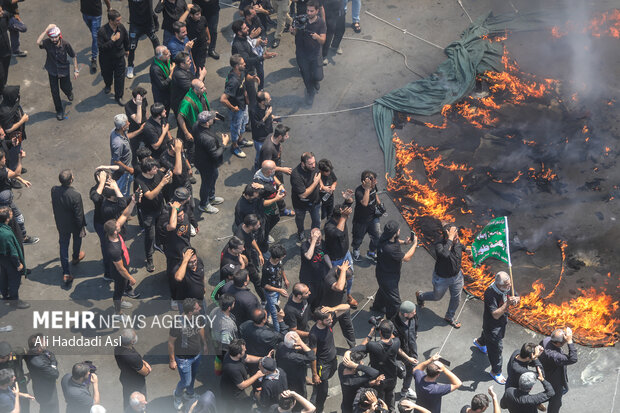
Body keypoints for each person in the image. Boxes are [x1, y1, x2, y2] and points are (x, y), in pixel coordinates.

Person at [352, 320, 417, 411]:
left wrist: (370, 334)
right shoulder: (397, 342)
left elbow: (361, 348)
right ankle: (391, 410)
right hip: (392, 377)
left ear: (380, 332)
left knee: (380, 398)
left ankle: (382, 410)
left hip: (378, 378)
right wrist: (408, 358)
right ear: (391, 331)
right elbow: (396, 344)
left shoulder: (372, 345)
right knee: (391, 395)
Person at [473, 271, 520, 384]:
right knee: (496, 349)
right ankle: (496, 372)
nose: (509, 287)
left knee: (487, 335)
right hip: (493, 325)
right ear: (498, 284)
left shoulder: (507, 287)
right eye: (506, 285)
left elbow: (516, 295)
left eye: (509, 284)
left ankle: (480, 343)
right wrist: (507, 304)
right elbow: (495, 314)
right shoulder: (490, 293)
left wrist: (517, 300)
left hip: (501, 321)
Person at [416, 224, 465, 328]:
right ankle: (421, 296)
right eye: (454, 236)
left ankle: (449, 316)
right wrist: (451, 238)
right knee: (436, 297)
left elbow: (460, 246)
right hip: (442, 279)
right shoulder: (439, 245)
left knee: (456, 298)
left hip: (457, 277)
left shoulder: (456, 241)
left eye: (456, 235)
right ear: (447, 237)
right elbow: (445, 255)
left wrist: (466, 249)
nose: (457, 238)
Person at [371, 220, 418, 319]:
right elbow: (407, 258)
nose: (400, 230)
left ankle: (377, 306)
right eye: (398, 230)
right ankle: (391, 321)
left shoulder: (384, 238)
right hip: (389, 277)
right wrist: (414, 245)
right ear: (394, 233)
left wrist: (405, 242)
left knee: (383, 290)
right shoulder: (390, 249)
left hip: (382, 272)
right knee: (395, 303)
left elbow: (396, 241)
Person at [168, 298, 208, 411]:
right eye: (197, 308)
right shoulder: (177, 323)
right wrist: (172, 360)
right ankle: (177, 395)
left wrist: (205, 344)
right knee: (186, 381)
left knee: (193, 376)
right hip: (183, 359)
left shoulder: (198, 317)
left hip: (196, 354)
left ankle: (190, 393)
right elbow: (171, 343)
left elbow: (200, 329)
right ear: (190, 312)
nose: (200, 308)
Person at [158, 186, 195, 306]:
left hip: (185, 244)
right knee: (173, 274)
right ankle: (174, 297)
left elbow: (190, 214)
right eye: (179, 216)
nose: (182, 217)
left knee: (187, 269)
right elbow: (172, 227)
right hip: (173, 250)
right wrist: (174, 210)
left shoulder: (185, 206)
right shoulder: (166, 213)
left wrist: (195, 223)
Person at [105, 195, 140, 318]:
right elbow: (120, 269)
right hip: (120, 272)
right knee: (118, 292)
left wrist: (133, 202)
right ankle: (118, 312)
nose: (120, 225)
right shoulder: (113, 249)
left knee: (121, 289)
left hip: (125, 266)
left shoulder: (113, 233)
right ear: (114, 232)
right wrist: (130, 278)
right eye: (117, 227)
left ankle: (120, 299)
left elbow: (124, 215)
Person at [134, 158, 172, 272]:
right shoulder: (140, 180)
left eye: (156, 167)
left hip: (160, 208)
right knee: (150, 236)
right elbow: (149, 196)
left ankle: (159, 244)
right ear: (147, 171)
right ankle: (149, 259)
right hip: (148, 213)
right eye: (154, 168)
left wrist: (169, 177)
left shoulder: (158, 173)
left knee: (161, 229)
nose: (157, 169)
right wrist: (162, 183)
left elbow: (168, 183)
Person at [50, 169, 86, 286]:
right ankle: (75, 257)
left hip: (61, 224)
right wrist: (81, 227)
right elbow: (79, 215)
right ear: (71, 180)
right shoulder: (75, 195)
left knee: (63, 245)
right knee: (77, 240)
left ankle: (66, 272)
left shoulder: (54, 190)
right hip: (74, 225)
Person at [89, 169, 126, 280]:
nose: (110, 178)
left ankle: (114, 262)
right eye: (106, 177)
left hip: (113, 220)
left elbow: (122, 169)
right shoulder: (96, 190)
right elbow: (96, 198)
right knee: (106, 248)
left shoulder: (110, 183)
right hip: (102, 224)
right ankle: (108, 272)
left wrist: (104, 166)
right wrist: (102, 182)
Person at [36, 25, 78, 121]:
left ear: (59, 35)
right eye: (52, 37)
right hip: (52, 70)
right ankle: (59, 110)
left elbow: (73, 55)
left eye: (56, 37)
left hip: (63, 70)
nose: (54, 39)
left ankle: (69, 92)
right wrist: (46, 29)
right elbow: (38, 42)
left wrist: (76, 70)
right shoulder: (47, 43)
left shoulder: (65, 44)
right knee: (54, 92)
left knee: (65, 87)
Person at [323, 193, 356, 307]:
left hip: (346, 254)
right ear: (339, 216)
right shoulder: (329, 227)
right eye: (344, 216)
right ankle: (336, 300)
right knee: (338, 280)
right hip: (336, 260)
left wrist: (348, 199)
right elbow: (338, 233)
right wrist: (344, 217)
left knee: (350, 276)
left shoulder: (340, 214)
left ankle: (348, 294)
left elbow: (348, 203)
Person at [291, 0, 326, 104]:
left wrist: (317, 37)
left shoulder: (320, 23)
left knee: (318, 76)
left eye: (311, 11)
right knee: (306, 76)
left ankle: (315, 80)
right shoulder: (300, 19)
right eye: (308, 10)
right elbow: (295, 32)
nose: (309, 13)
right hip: (302, 54)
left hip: (315, 54)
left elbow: (323, 40)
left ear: (317, 11)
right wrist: (293, 31)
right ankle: (310, 92)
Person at [539, 327, 578, 413]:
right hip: (554, 379)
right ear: (557, 343)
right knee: (556, 402)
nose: (565, 342)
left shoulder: (547, 340)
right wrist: (570, 342)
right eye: (564, 342)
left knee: (562, 390)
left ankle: (536, 401)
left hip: (547, 370)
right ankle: (535, 401)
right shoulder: (554, 355)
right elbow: (573, 359)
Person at [258, 124, 293, 217]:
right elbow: (266, 167)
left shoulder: (272, 136)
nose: (288, 137)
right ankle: (281, 209)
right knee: (276, 190)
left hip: (275, 169)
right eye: (286, 136)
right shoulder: (268, 149)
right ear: (280, 136)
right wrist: (282, 169)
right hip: (270, 173)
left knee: (280, 187)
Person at [220, 54, 252, 158]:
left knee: (243, 124)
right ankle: (234, 146)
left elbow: (244, 81)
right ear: (237, 66)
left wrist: (252, 79)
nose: (245, 64)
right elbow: (223, 99)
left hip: (243, 106)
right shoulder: (232, 81)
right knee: (235, 128)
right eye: (243, 63)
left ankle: (240, 140)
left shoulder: (241, 72)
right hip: (237, 110)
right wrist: (233, 108)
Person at [220, 338, 265, 410]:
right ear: (238, 354)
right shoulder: (233, 368)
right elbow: (242, 385)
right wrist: (257, 375)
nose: (246, 349)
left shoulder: (231, 353)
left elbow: (247, 358)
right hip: (233, 393)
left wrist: (262, 359)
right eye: (244, 350)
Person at [97, 9, 130, 105]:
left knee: (120, 78)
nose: (119, 22)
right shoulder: (102, 31)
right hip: (106, 60)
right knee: (106, 75)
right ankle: (108, 84)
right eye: (117, 20)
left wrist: (127, 50)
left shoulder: (121, 27)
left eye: (120, 20)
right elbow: (101, 48)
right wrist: (113, 40)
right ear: (110, 21)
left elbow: (126, 39)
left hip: (119, 58)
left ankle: (119, 96)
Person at [308, 308, 338, 413]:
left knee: (322, 384)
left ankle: (317, 387)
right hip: (323, 366)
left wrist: (332, 309)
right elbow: (313, 356)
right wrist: (315, 374)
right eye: (328, 320)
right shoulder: (314, 334)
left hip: (333, 360)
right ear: (320, 321)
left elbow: (346, 308)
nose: (331, 321)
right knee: (322, 392)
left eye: (331, 319)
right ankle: (318, 409)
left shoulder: (328, 323)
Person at [320, 261, 356, 348]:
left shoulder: (341, 272)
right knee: (325, 330)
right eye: (346, 279)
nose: (347, 282)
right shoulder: (330, 278)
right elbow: (339, 287)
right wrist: (343, 271)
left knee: (348, 328)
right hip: (330, 309)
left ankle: (353, 348)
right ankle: (322, 348)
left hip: (342, 307)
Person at [114, 329, 151, 410]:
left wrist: (141, 361)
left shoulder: (119, 347)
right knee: (140, 402)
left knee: (128, 400)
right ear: (132, 341)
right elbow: (145, 372)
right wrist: (147, 367)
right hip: (136, 383)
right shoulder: (132, 357)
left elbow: (138, 360)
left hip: (126, 378)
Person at [177, 79, 211, 163]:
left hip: (202, 124)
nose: (205, 89)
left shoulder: (201, 93)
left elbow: (204, 105)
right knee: (192, 147)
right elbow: (180, 117)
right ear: (195, 89)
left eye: (204, 86)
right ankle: (191, 162)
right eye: (202, 88)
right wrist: (186, 133)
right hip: (192, 127)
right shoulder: (187, 101)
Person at [351, 170, 382, 263]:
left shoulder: (373, 186)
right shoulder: (359, 191)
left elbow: (375, 193)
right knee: (358, 238)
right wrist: (368, 189)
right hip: (361, 221)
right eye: (373, 182)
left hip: (373, 218)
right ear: (364, 182)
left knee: (377, 236)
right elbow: (364, 203)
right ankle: (355, 250)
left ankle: (371, 252)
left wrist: (379, 205)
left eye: (375, 181)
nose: (375, 183)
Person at [290, 152, 321, 242]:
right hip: (300, 204)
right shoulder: (296, 175)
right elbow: (303, 194)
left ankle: (315, 237)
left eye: (314, 162)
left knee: (316, 221)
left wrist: (321, 185)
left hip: (315, 201)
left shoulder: (315, 165)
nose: (314, 165)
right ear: (303, 164)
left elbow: (319, 175)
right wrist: (315, 182)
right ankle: (300, 232)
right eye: (310, 164)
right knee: (300, 220)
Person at [253, 160, 286, 243]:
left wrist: (280, 185)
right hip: (264, 210)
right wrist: (276, 199)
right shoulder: (259, 186)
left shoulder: (266, 173)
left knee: (276, 218)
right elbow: (262, 203)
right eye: (274, 169)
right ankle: (264, 238)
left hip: (272, 203)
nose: (276, 169)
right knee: (264, 226)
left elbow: (273, 177)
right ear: (269, 171)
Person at [25, 333, 59, 413]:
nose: (46, 342)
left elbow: (50, 354)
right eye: (44, 341)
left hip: (39, 388)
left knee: (44, 409)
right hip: (47, 394)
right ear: (39, 347)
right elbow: (55, 374)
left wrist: (52, 360)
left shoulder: (31, 352)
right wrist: (53, 364)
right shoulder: (39, 363)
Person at [0, 206, 27, 308]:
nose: (12, 214)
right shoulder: (6, 234)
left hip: (1, 259)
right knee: (14, 280)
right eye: (10, 213)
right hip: (9, 260)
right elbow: (13, 253)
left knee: (3, 277)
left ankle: (5, 295)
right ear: (7, 219)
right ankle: (14, 301)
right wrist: (18, 264)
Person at [391, 301, 419, 399]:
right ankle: (389, 393)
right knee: (395, 374)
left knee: (409, 373)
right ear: (405, 314)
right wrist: (408, 358)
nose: (415, 313)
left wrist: (415, 335)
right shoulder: (394, 325)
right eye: (413, 312)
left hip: (411, 351)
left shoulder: (412, 317)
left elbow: (415, 327)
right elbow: (396, 347)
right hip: (399, 356)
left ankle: (405, 390)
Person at [234, 213, 265, 301]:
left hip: (249, 257)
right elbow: (238, 254)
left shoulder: (244, 226)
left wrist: (259, 253)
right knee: (257, 281)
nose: (259, 226)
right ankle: (264, 300)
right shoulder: (239, 238)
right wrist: (246, 262)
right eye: (257, 225)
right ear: (251, 226)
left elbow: (251, 239)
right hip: (245, 262)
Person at [126, 0, 160, 79]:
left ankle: (159, 60)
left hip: (148, 24)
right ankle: (130, 66)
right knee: (132, 46)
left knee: (156, 42)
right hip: (135, 24)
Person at [276, 332, 315, 398]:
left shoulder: (281, 345)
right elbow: (312, 357)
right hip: (296, 380)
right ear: (294, 344)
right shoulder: (294, 357)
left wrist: (297, 348)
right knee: (300, 394)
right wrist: (302, 344)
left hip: (285, 374)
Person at [110, 113, 141, 197]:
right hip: (123, 171)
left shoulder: (116, 131)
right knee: (123, 191)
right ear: (123, 127)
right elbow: (116, 160)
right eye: (127, 122)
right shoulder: (118, 143)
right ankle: (124, 204)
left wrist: (139, 130)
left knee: (129, 180)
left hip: (127, 165)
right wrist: (129, 169)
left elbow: (127, 136)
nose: (129, 123)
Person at [299, 228, 329, 310]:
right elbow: (308, 256)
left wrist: (331, 267)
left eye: (319, 238)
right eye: (317, 239)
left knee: (319, 295)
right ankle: (307, 310)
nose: (319, 241)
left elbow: (325, 255)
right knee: (309, 297)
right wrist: (314, 241)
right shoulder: (305, 245)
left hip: (320, 276)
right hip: (308, 278)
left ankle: (314, 310)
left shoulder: (322, 243)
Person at [262, 244, 289, 331]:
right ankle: (278, 333)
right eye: (282, 256)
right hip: (271, 293)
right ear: (277, 258)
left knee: (269, 305)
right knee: (276, 315)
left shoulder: (279, 262)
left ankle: (265, 316)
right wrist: (279, 290)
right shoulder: (266, 268)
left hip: (278, 290)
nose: (284, 257)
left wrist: (285, 279)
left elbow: (281, 269)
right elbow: (264, 285)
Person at [171, 51, 207, 116]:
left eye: (190, 59)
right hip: (182, 104)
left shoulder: (185, 68)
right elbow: (192, 88)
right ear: (182, 64)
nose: (190, 61)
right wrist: (201, 76)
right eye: (188, 61)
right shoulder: (179, 75)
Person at [80, 0, 111, 74]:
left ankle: (94, 58)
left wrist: (109, 7)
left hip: (96, 15)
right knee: (95, 33)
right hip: (85, 13)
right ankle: (100, 38)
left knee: (95, 37)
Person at [0, 341, 31, 412]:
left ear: (10, 354)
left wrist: (31, 371)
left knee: (25, 405)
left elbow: (28, 354)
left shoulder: (18, 353)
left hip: (20, 383)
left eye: (2, 357)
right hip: (6, 386)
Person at [250, 91, 274, 170]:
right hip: (260, 139)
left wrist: (271, 117)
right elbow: (257, 125)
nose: (270, 99)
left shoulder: (267, 106)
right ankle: (258, 168)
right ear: (263, 102)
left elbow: (268, 117)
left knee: (269, 153)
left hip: (269, 135)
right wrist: (266, 116)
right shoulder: (253, 111)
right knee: (260, 155)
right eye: (268, 98)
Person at [124, 87, 149, 164]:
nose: (144, 98)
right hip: (134, 129)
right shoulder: (128, 106)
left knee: (147, 145)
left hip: (145, 126)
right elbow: (138, 120)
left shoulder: (143, 99)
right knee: (135, 148)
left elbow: (145, 110)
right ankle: (135, 163)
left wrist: (147, 120)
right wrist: (139, 105)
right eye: (143, 97)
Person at [149, 46, 175, 112]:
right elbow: (162, 85)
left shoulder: (166, 60)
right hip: (161, 96)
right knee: (163, 112)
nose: (170, 54)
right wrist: (171, 75)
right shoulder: (155, 69)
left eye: (169, 51)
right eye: (166, 54)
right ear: (160, 56)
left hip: (169, 91)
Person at [186, 5, 210, 70]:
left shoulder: (203, 19)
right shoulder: (187, 22)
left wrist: (209, 38)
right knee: (194, 63)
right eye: (197, 14)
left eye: (200, 13)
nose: (199, 15)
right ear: (191, 15)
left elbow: (206, 27)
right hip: (193, 46)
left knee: (201, 63)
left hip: (202, 44)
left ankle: (201, 75)